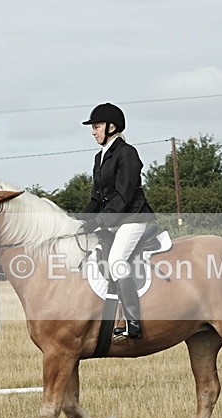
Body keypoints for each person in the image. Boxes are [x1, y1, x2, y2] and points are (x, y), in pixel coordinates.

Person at [79, 103, 155, 339]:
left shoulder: (127, 153)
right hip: (114, 220)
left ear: (112, 127)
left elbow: (124, 195)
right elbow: (96, 198)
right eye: (93, 127)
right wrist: (81, 222)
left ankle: (133, 322)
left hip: (133, 217)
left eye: (97, 126)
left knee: (116, 261)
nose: (93, 131)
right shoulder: (99, 157)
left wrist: (101, 220)